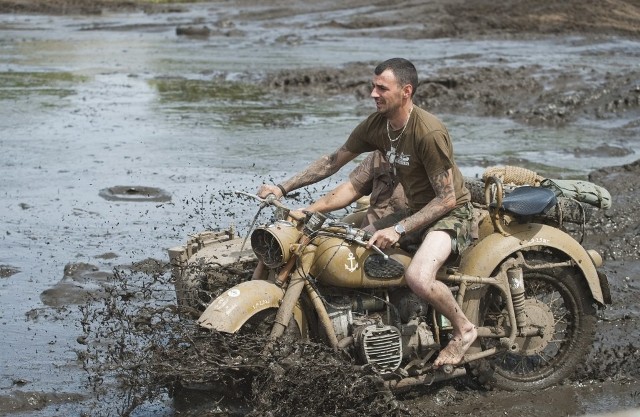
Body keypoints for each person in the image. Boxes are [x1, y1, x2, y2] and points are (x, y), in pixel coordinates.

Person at [258, 57, 476, 367]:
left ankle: (463, 329)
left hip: (449, 216)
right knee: (349, 247)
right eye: (373, 86)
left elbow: (446, 200)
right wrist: (282, 188)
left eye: (381, 88)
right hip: (414, 211)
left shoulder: (427, 132)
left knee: (418, 276)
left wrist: (397, 230)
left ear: (406, 91)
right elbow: (333, 160)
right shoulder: (377, 126)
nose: (373, 94)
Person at [297, 150, 408, 230]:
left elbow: (421, 212)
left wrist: (397, 231)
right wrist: (306, 212)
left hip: (401, 241)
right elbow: (350, 189)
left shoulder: (422, 158)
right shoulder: (379, 154)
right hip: (365, 237)